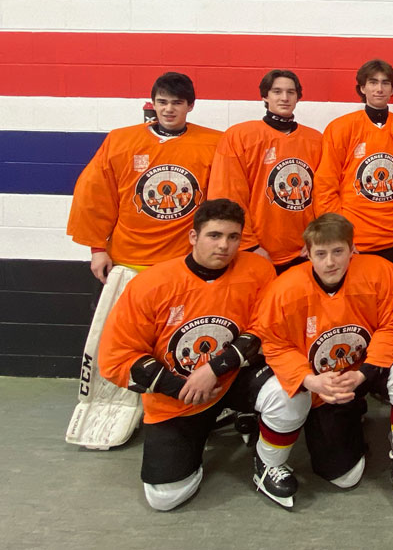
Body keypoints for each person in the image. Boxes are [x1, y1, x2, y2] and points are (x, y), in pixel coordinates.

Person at [97, 199, 309, 510]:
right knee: (164, 498)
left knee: (292, 391)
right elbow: (117, 358)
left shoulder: (258, 270)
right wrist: (181, 388)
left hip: (232, 377)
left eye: (233, 237)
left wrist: (212, 369)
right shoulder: (151, 285)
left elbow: (265, 329)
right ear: (193, 237)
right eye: (214, 235)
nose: (224, 245)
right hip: (177, 397)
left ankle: (267, 464)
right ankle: (203, 427)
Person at [252, 213, 393, 522]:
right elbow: (275, 344)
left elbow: (392, 326)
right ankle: (266, 461)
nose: (330, 262)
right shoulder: (285, 289)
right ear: (307, 253)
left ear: (353, 249)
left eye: (338, 251)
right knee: (344, 475)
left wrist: (366, 372)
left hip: (366, 369)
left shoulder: (381, 273)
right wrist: (310, 382)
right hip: (325, 383)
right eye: (320, 254)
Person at [68, 72, 222, 283]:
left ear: (191, 106)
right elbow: (96, 196)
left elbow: (226, 200)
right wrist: (97, 249)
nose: (169, 109)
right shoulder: (121, 141)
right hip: (127, 259)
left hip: (185, 260)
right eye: (162, 102)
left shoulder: (215, 143)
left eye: (177, 103)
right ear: (153, 104)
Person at [314, 59, 393, 269]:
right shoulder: (341, 128)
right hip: (354, 238)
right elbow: (325, 186)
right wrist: (338, 234)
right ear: (362, 87)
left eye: (385, 83)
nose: (379, 88)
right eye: (373, 82)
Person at [208, 69, 322, 274]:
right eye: (277, 91)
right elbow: (228, 195)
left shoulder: (315, 140)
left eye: (291, 92)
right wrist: (249, 244)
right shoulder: (240, 136)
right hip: (256, 250)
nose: (284, 98)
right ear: (264, 96)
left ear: (298, 97)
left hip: (305, 252)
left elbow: (323, 194)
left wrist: (319, 236)